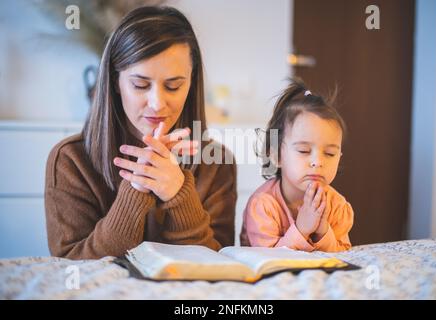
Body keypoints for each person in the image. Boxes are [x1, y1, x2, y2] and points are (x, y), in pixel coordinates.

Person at [45, 6, 236, 259]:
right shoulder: (70, 161)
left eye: (173, 85)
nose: (157, 103)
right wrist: (137, 187)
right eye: (140, 84)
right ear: (115, 81)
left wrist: (179, 194)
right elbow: (71, 267)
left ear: (191, 82)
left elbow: (218, 265)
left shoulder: (217, 163)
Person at [240, 80, 353, 252]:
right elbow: (265, 260)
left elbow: (345, 256)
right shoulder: (263, 206)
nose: (318, 162)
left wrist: (322, 231)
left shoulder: (337, 206)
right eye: (304, 150)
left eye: (329, 153)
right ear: (277, 156)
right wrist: (302, 229)